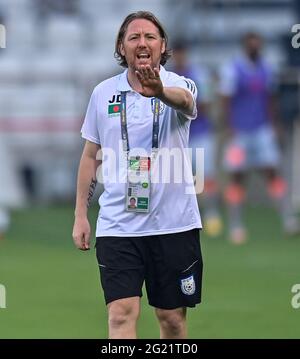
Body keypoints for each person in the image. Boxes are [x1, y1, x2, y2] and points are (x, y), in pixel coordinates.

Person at [72, 11, 203, 339]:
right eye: (134, 37)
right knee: (120, 315)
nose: (142, 42)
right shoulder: (103, 93)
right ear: (122, 46)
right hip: (118, 223)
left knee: (171, 319)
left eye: (150, 37)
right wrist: (80, 215)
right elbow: (91, 156)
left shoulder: (178, 85)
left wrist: (158, 91)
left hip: (173, 223)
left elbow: (186, 102)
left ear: (162, 45)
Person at [219, 32, 299, 244]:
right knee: (237, 177)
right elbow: (226, 99)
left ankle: (287, 219)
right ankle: (236, 225)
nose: (255, 48)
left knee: (273, 172)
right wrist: (229, 126)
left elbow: (271, 99)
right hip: (240, 132)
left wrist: (274, 124)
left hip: (262, 130)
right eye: (251, 44)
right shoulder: (233, 69)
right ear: (245, 46)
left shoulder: (267, 68)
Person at [170, 40, 222, 237]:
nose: (180, 57)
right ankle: (179, 218)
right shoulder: (168, 77)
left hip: (199, 133)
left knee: (205, 177)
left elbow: (206, 104)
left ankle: (211, 214)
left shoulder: (199, 75)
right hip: (176, 137)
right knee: (176, 180)